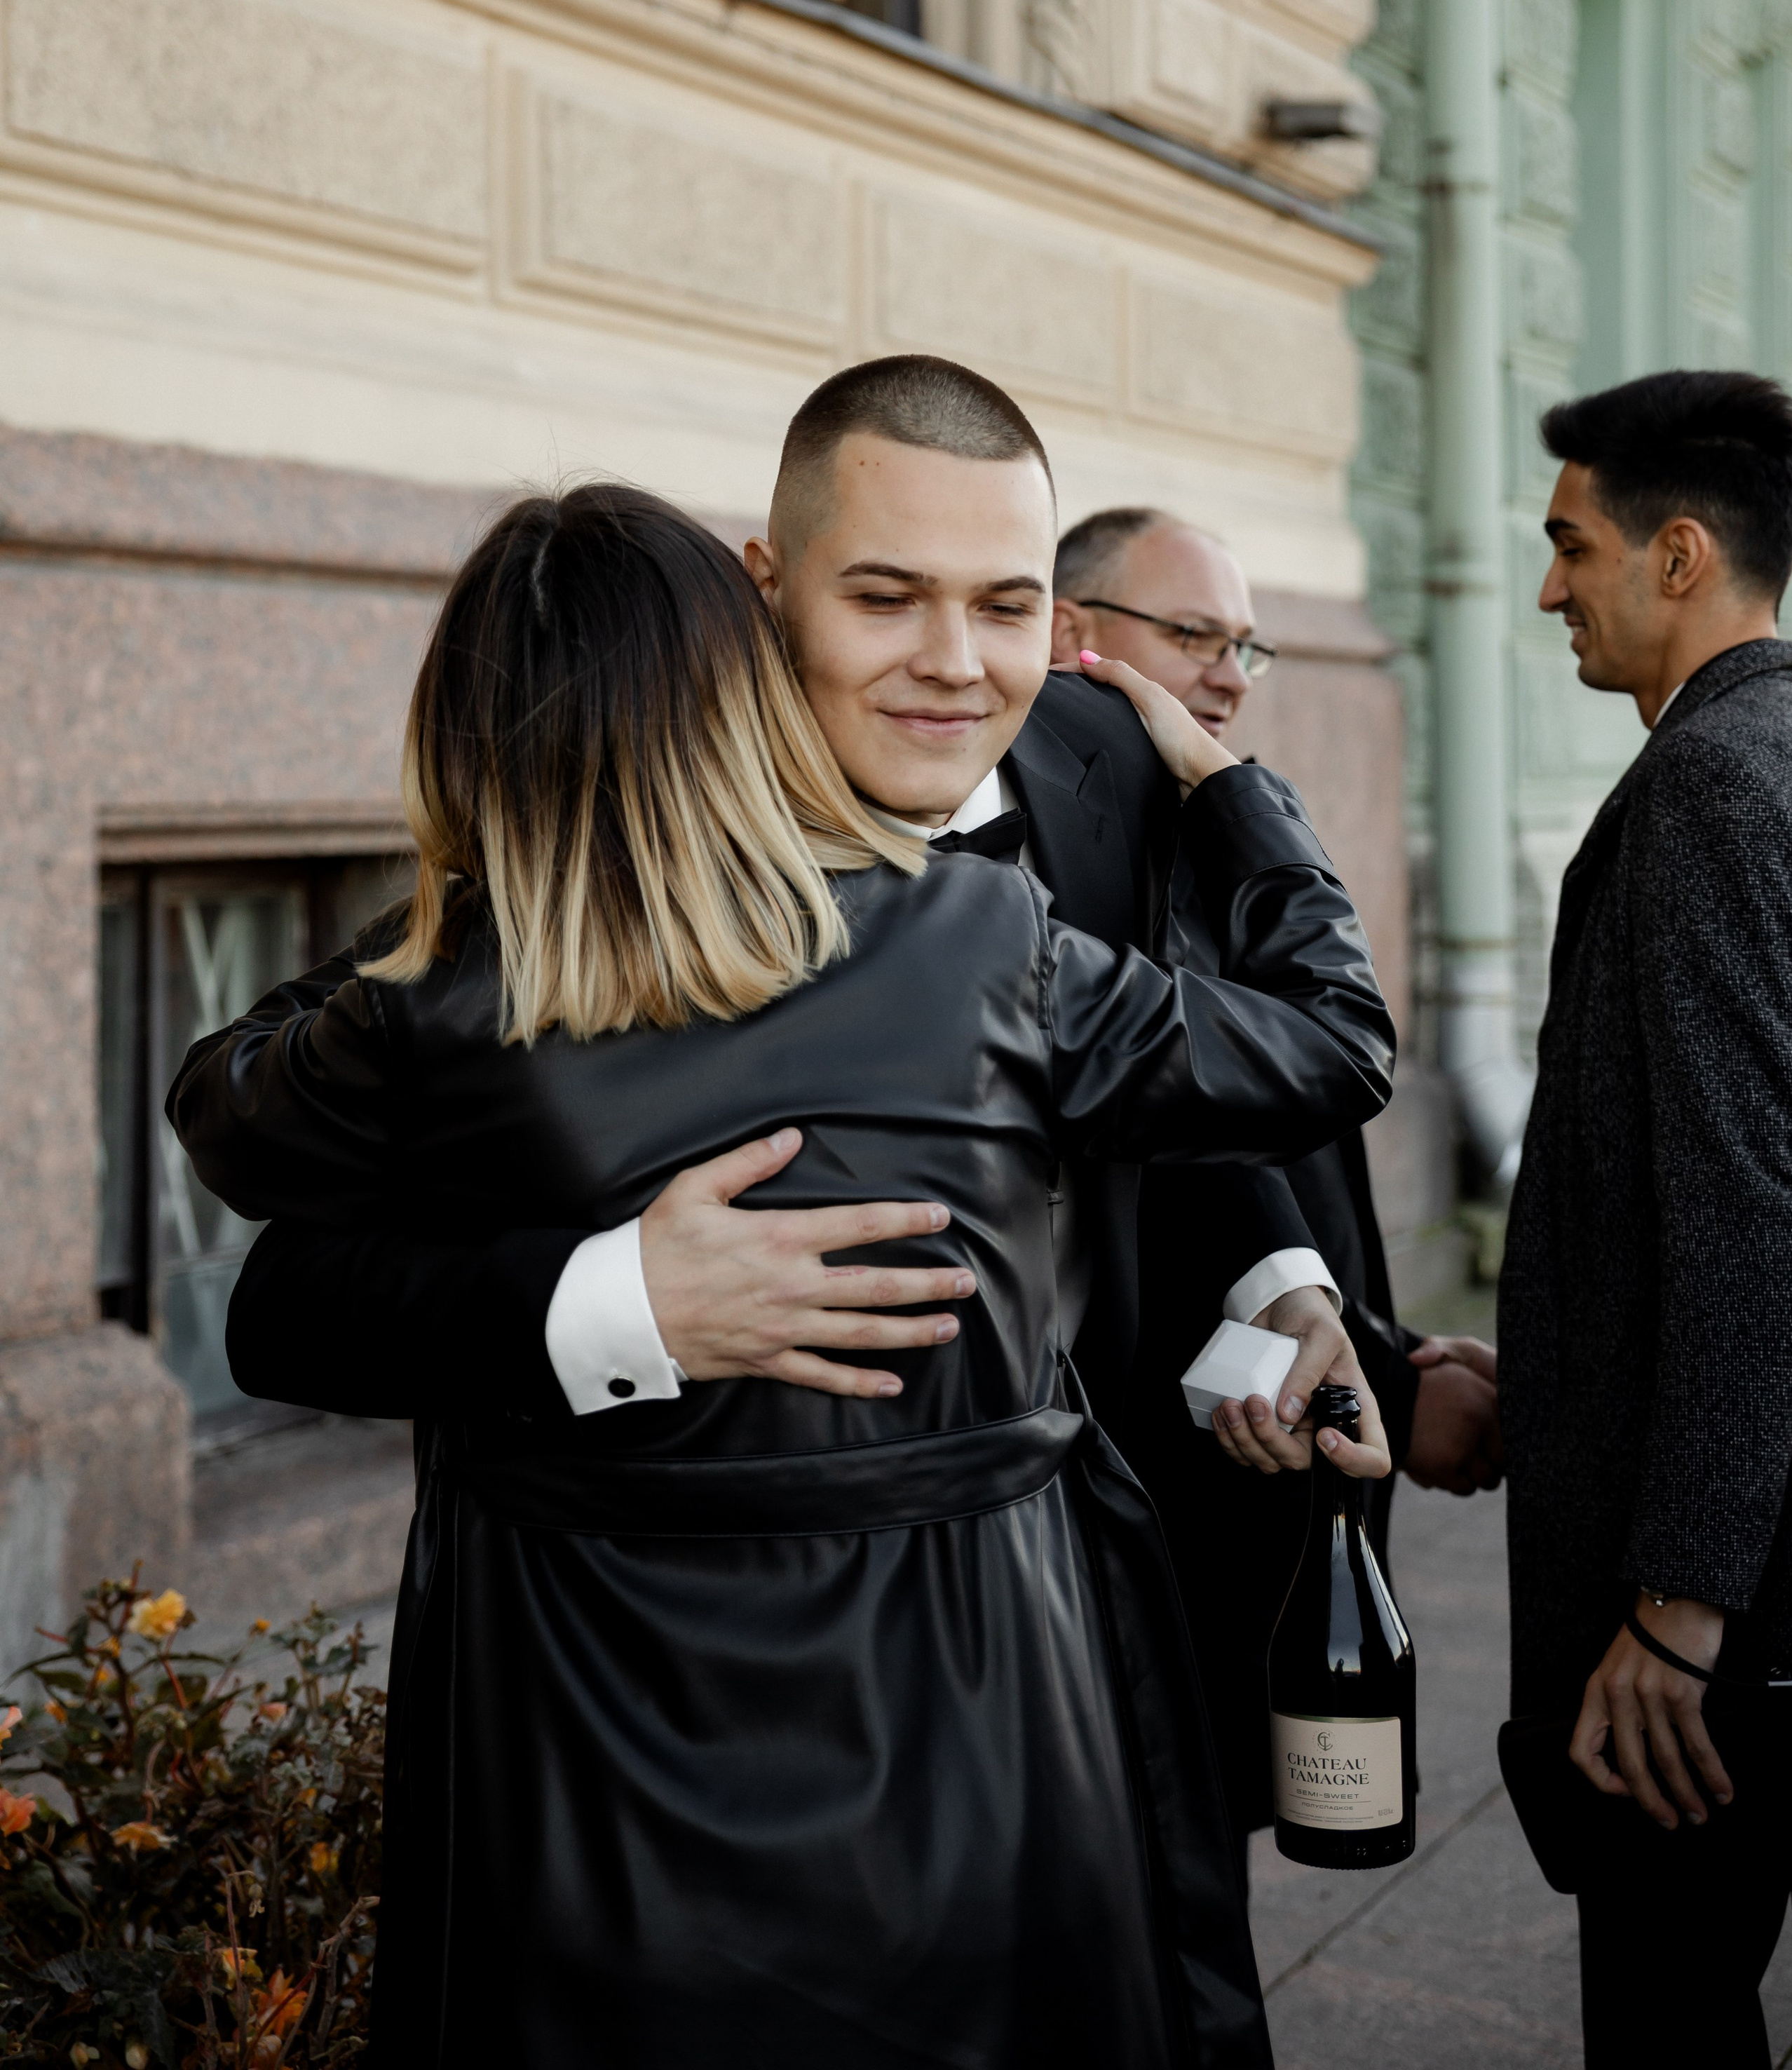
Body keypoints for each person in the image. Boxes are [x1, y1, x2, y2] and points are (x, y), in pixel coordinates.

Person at [171, 481, 1395, 2069]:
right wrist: (1233, 789)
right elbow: (1332, 1039)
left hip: (592, 1730)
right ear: (747, 668)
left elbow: (236, 1149)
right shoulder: (975, 940)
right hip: (951, 1698)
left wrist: (477, 897)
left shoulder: (443, 997)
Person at [226, 360, 1363, 1466]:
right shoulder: (610, 845)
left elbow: (1181, 1057)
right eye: (885, 598)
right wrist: (617, 1300)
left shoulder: (1116, 752)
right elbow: (293, 1269)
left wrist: (1279, 1274)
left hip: (1091, 1544)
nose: (955, 665)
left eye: (1004, 607)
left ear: (1056, 617)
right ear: (767, 587)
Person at [1051, 506, 1502, 1846]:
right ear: (1077, 639)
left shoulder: (1197, 830)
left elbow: (1281, 1160)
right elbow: (1189, 1162)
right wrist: (1370, 1363)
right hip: (1177, 1472)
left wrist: (1387, 1349)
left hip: (1299, 1420)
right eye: (1193, 635)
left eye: (1246, 645)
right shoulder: (1084, 865)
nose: (1233, 677)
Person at [1501, 370, 1792, 2068]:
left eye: (1570, 546)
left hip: (1720, 1625)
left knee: (1672, 2025)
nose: (1550, 588)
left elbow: (1755, 1209)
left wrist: (1678, 1604)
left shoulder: (1705, 788)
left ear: (1677, 555)